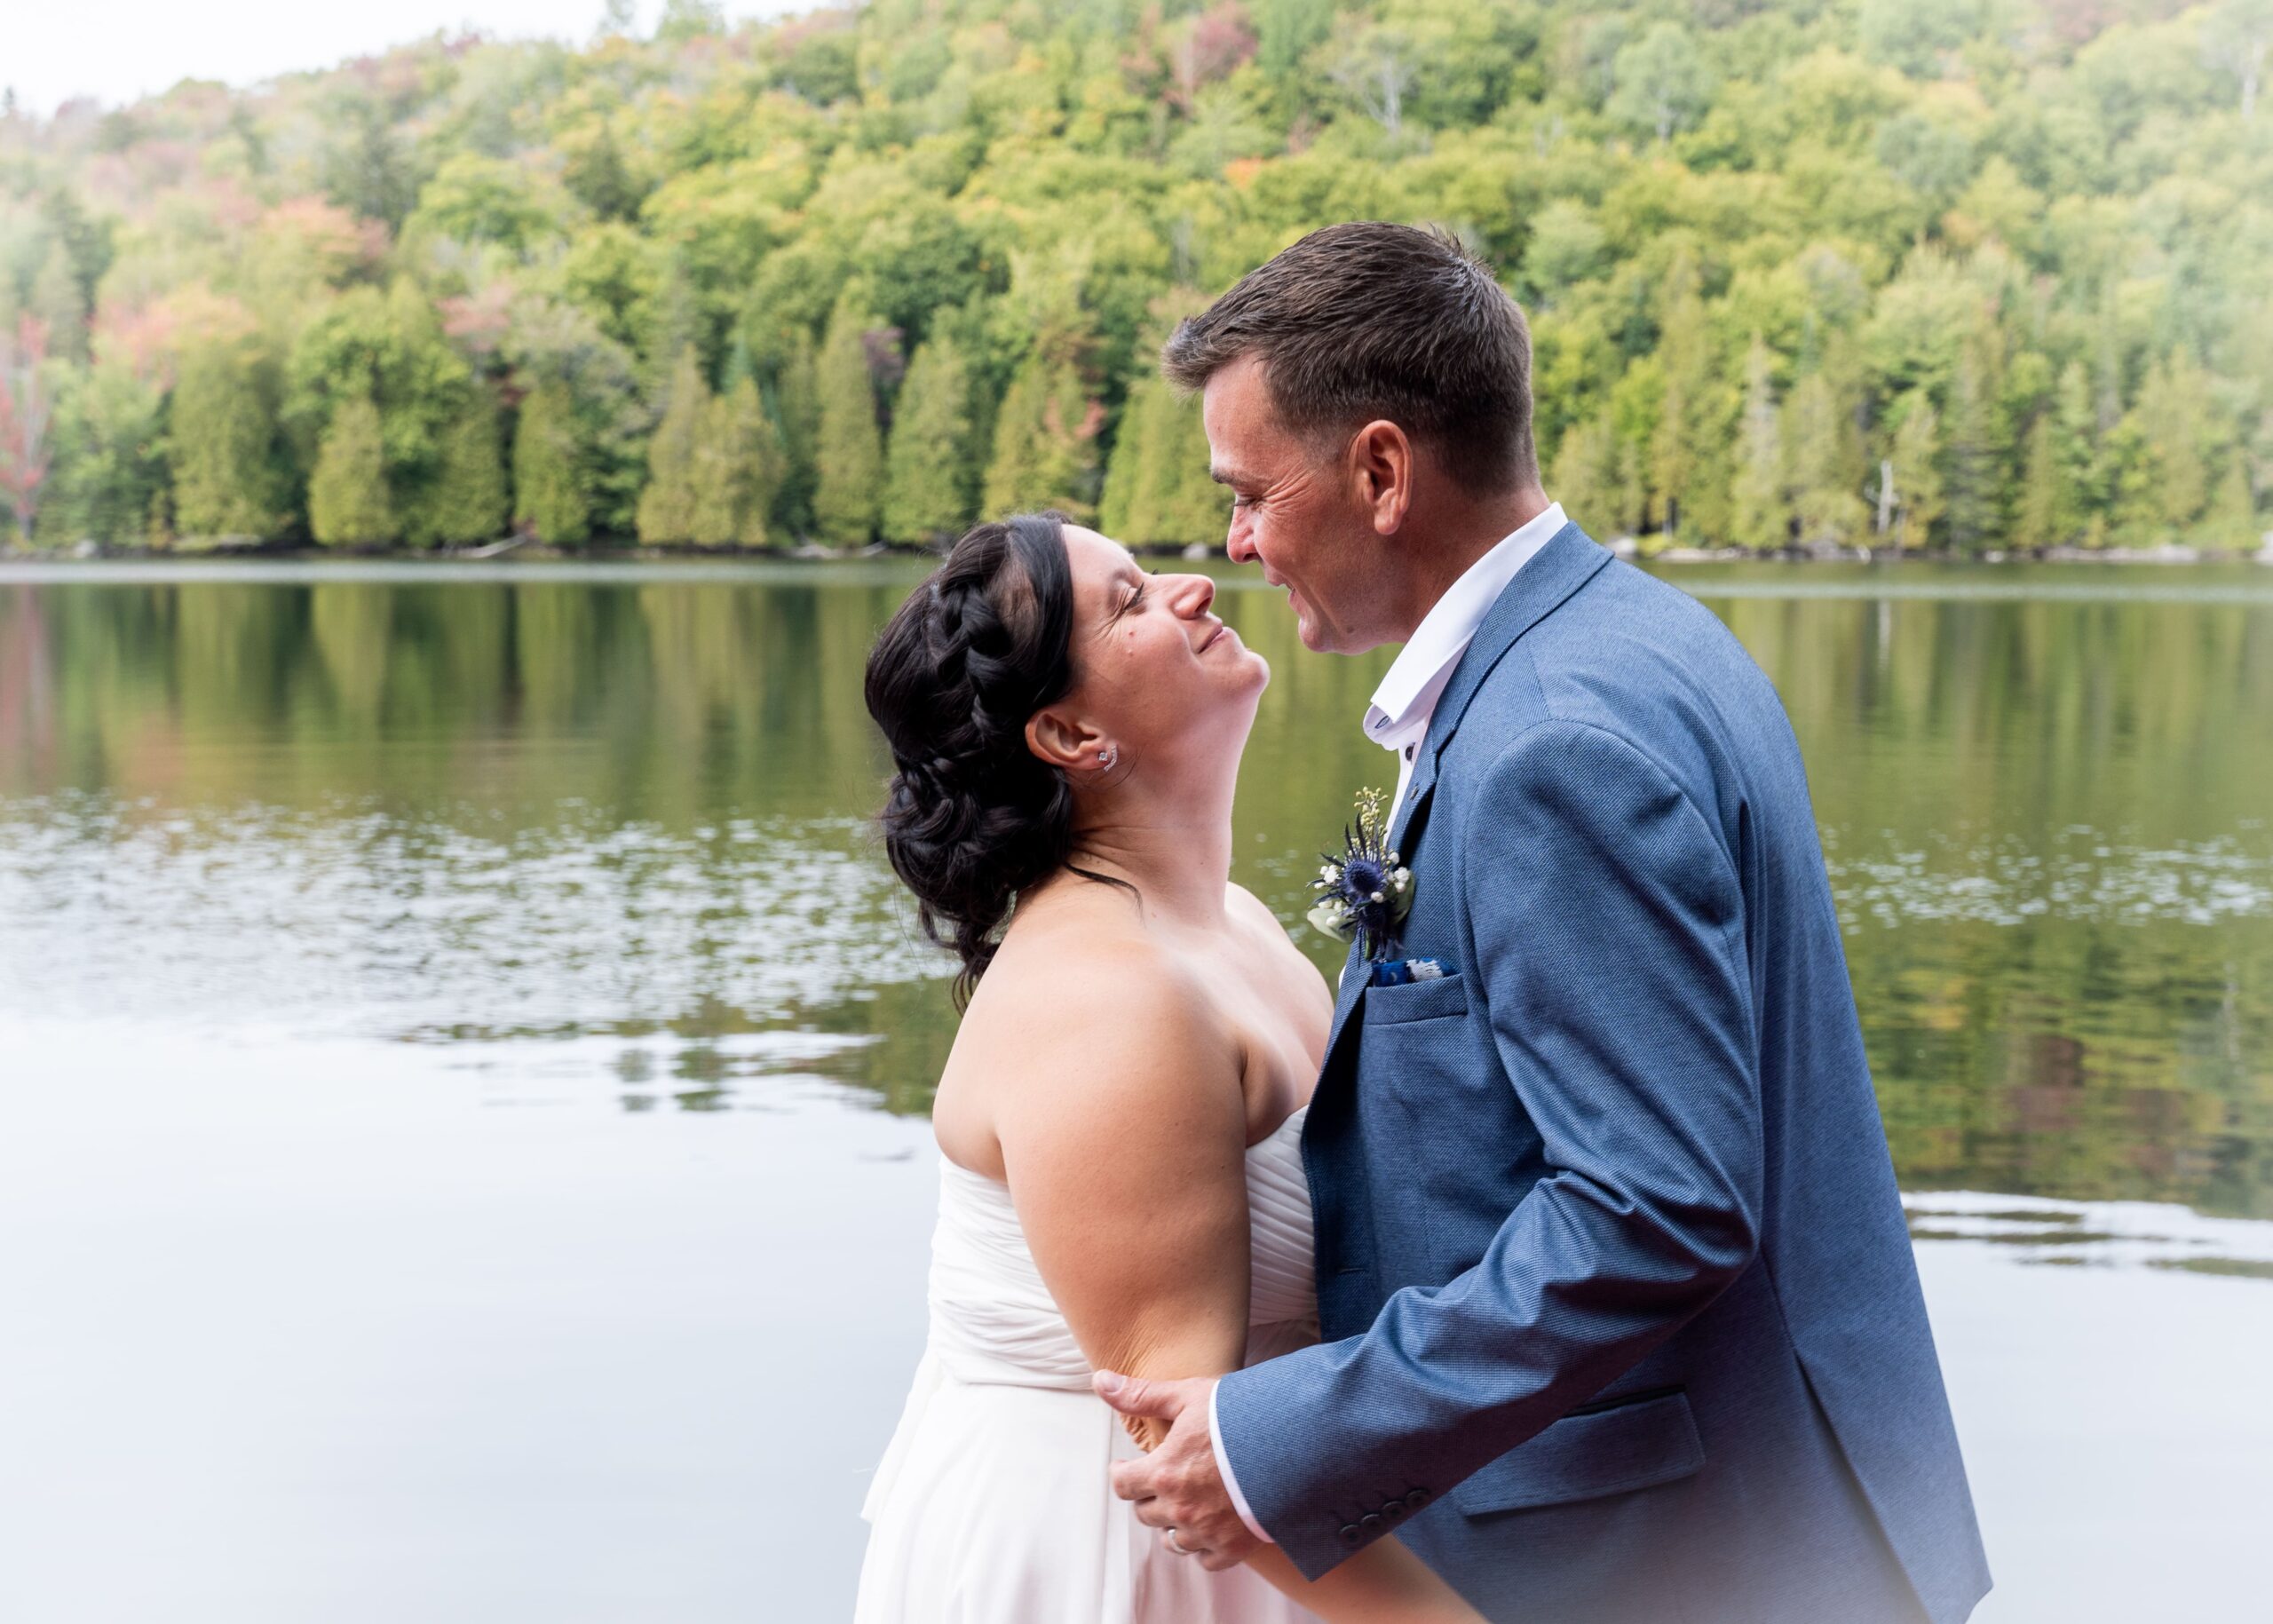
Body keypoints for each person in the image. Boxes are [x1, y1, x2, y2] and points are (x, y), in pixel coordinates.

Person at [1091, 223, 1992, 1623]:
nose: (1238, 540)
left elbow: (1657, 1206)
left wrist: (1287, 1437)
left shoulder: (1554, 738)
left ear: (1383, 471)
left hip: (1679, 1560)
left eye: (1253, 492)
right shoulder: (1638, 638)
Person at [853, 512, 1483, 1622]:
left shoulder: (1227, 922)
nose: (1194, 586)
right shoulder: (1108, 1002)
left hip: (1290, 1519)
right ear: (1067, 732)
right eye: (1130, 601)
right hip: (1131, 1551)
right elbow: (1181, 1443)